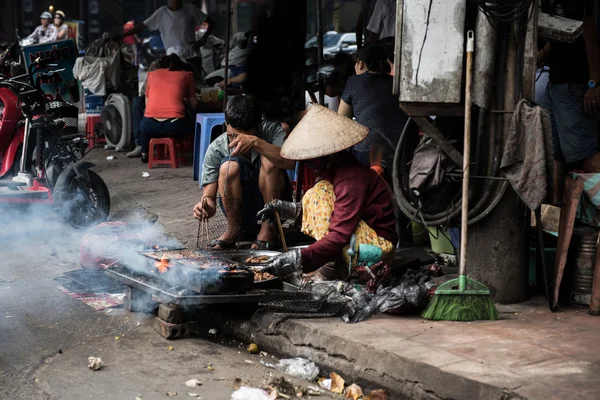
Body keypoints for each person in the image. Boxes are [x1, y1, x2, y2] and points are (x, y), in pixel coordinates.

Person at [258, 105, 398, 282]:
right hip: (359, 240)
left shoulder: (350, 178)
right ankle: (334, 264)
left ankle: (333, 267)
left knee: (319, 193)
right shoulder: (331, 172)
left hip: (377, 251)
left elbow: (339, 234)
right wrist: (284, 209)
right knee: (316, 193)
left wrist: (299, 258)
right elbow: (331, 211)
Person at [193, 95, 295, 250]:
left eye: (246, 136)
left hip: (277, 205)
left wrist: (257, 142)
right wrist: (205, 207)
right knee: (229, 167)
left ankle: (268, 226)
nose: (238, 141)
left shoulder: (272, 130)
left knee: (269, 160)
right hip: (240, 212)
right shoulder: (216, 148)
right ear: (226, 124)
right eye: (233, 135)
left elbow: (289, 162)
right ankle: (233, 230)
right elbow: (209, 198)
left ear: (258, 126)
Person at [539, 0, 600, 203]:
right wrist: (543, 54)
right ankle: (555, 210)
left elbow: (590, 37)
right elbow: (558, 37)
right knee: (555, 152)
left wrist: (594, 84)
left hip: (574, 83)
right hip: (555, 84)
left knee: (585, 152)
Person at [338, 44, 407, 175]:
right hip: (402, 150)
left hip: (367, 151)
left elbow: (342, 120)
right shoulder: (396, 82)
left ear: (360, 64)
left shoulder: (354, 82)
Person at [117, 0, 215, 74]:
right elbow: (141, 26)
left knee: (194, 89)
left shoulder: (191, 10)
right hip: (172, 61)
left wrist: (203, 39)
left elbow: (212, 23)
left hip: (192, 58)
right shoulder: (161, 13)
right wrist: (121, 36)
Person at [139, 54, 197, 163]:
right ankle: (197, 152)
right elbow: (193, 105)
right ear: (180, 65)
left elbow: (147, 105)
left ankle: (145, 153)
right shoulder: (186, 75)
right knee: (197, 119)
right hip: (174, 126)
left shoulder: (152, 75)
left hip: (149, 126)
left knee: (144, 120)